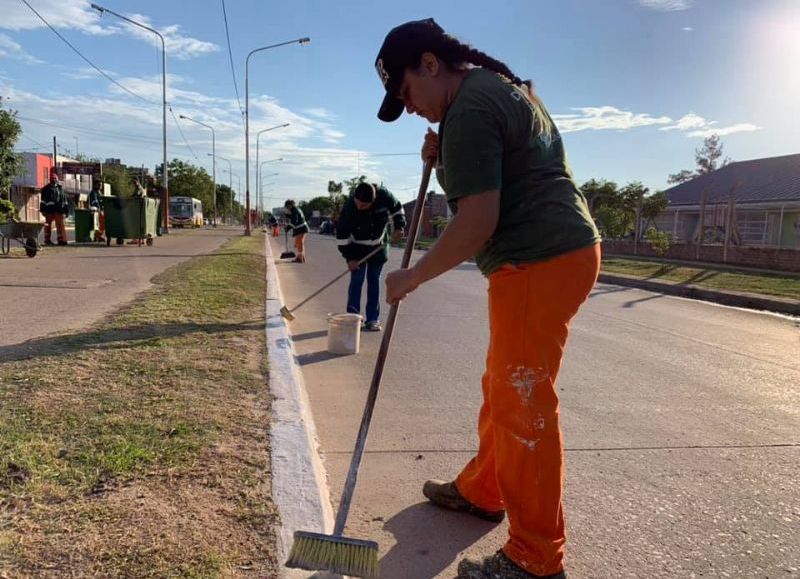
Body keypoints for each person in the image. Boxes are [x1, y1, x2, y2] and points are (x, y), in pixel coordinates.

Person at [375, 19, 601, 579]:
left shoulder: (470, 109)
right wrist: (447, 152)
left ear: (429, 64)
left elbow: (477, 219)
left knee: (523, 403)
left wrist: (413, 276)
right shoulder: (497, 88)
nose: (409, 108)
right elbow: (507, 169)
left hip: (536, 258)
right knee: (505, 387)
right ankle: (484, 489)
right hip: (560, 252)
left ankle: (535, 558)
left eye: (406, 93)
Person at [336, 182, 405, 332]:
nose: (359, 207)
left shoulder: (384, 196)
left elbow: (397, 209)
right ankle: (353, 318)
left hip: (378, 247)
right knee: (357, 280)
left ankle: (372, 319)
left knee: (374, 280)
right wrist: (350, 259)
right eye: (358, 204)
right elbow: (341, 237)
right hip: (356, 248)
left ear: (373, 201)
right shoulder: (349, 208)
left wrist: (399, 227)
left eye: (364, 205)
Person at [40, 169, 69, 246]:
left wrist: (66, 211)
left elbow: (65, 201)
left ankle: (60, 240)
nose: (54, 180)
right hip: (49, 210)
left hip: (59, 210)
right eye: (52, 179)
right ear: (50, 180)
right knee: (48, 225)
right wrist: (42, 210)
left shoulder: (60, 189)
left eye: (55, 178)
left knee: (59, 225)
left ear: (57, 179)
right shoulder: (46, 189)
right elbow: (43, 201)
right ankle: (47, 240)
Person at [87, 179, 106, 243]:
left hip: (101, 210)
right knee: (100, 222)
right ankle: (98, 236)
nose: (100, 186)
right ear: (95, 185)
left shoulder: (99, 192)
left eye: (101, 185)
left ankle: (98, 235)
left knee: (103, 222)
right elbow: (94, 202)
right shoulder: (93, 192)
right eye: (99, 185)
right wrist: (99, 208)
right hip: (96, 211)